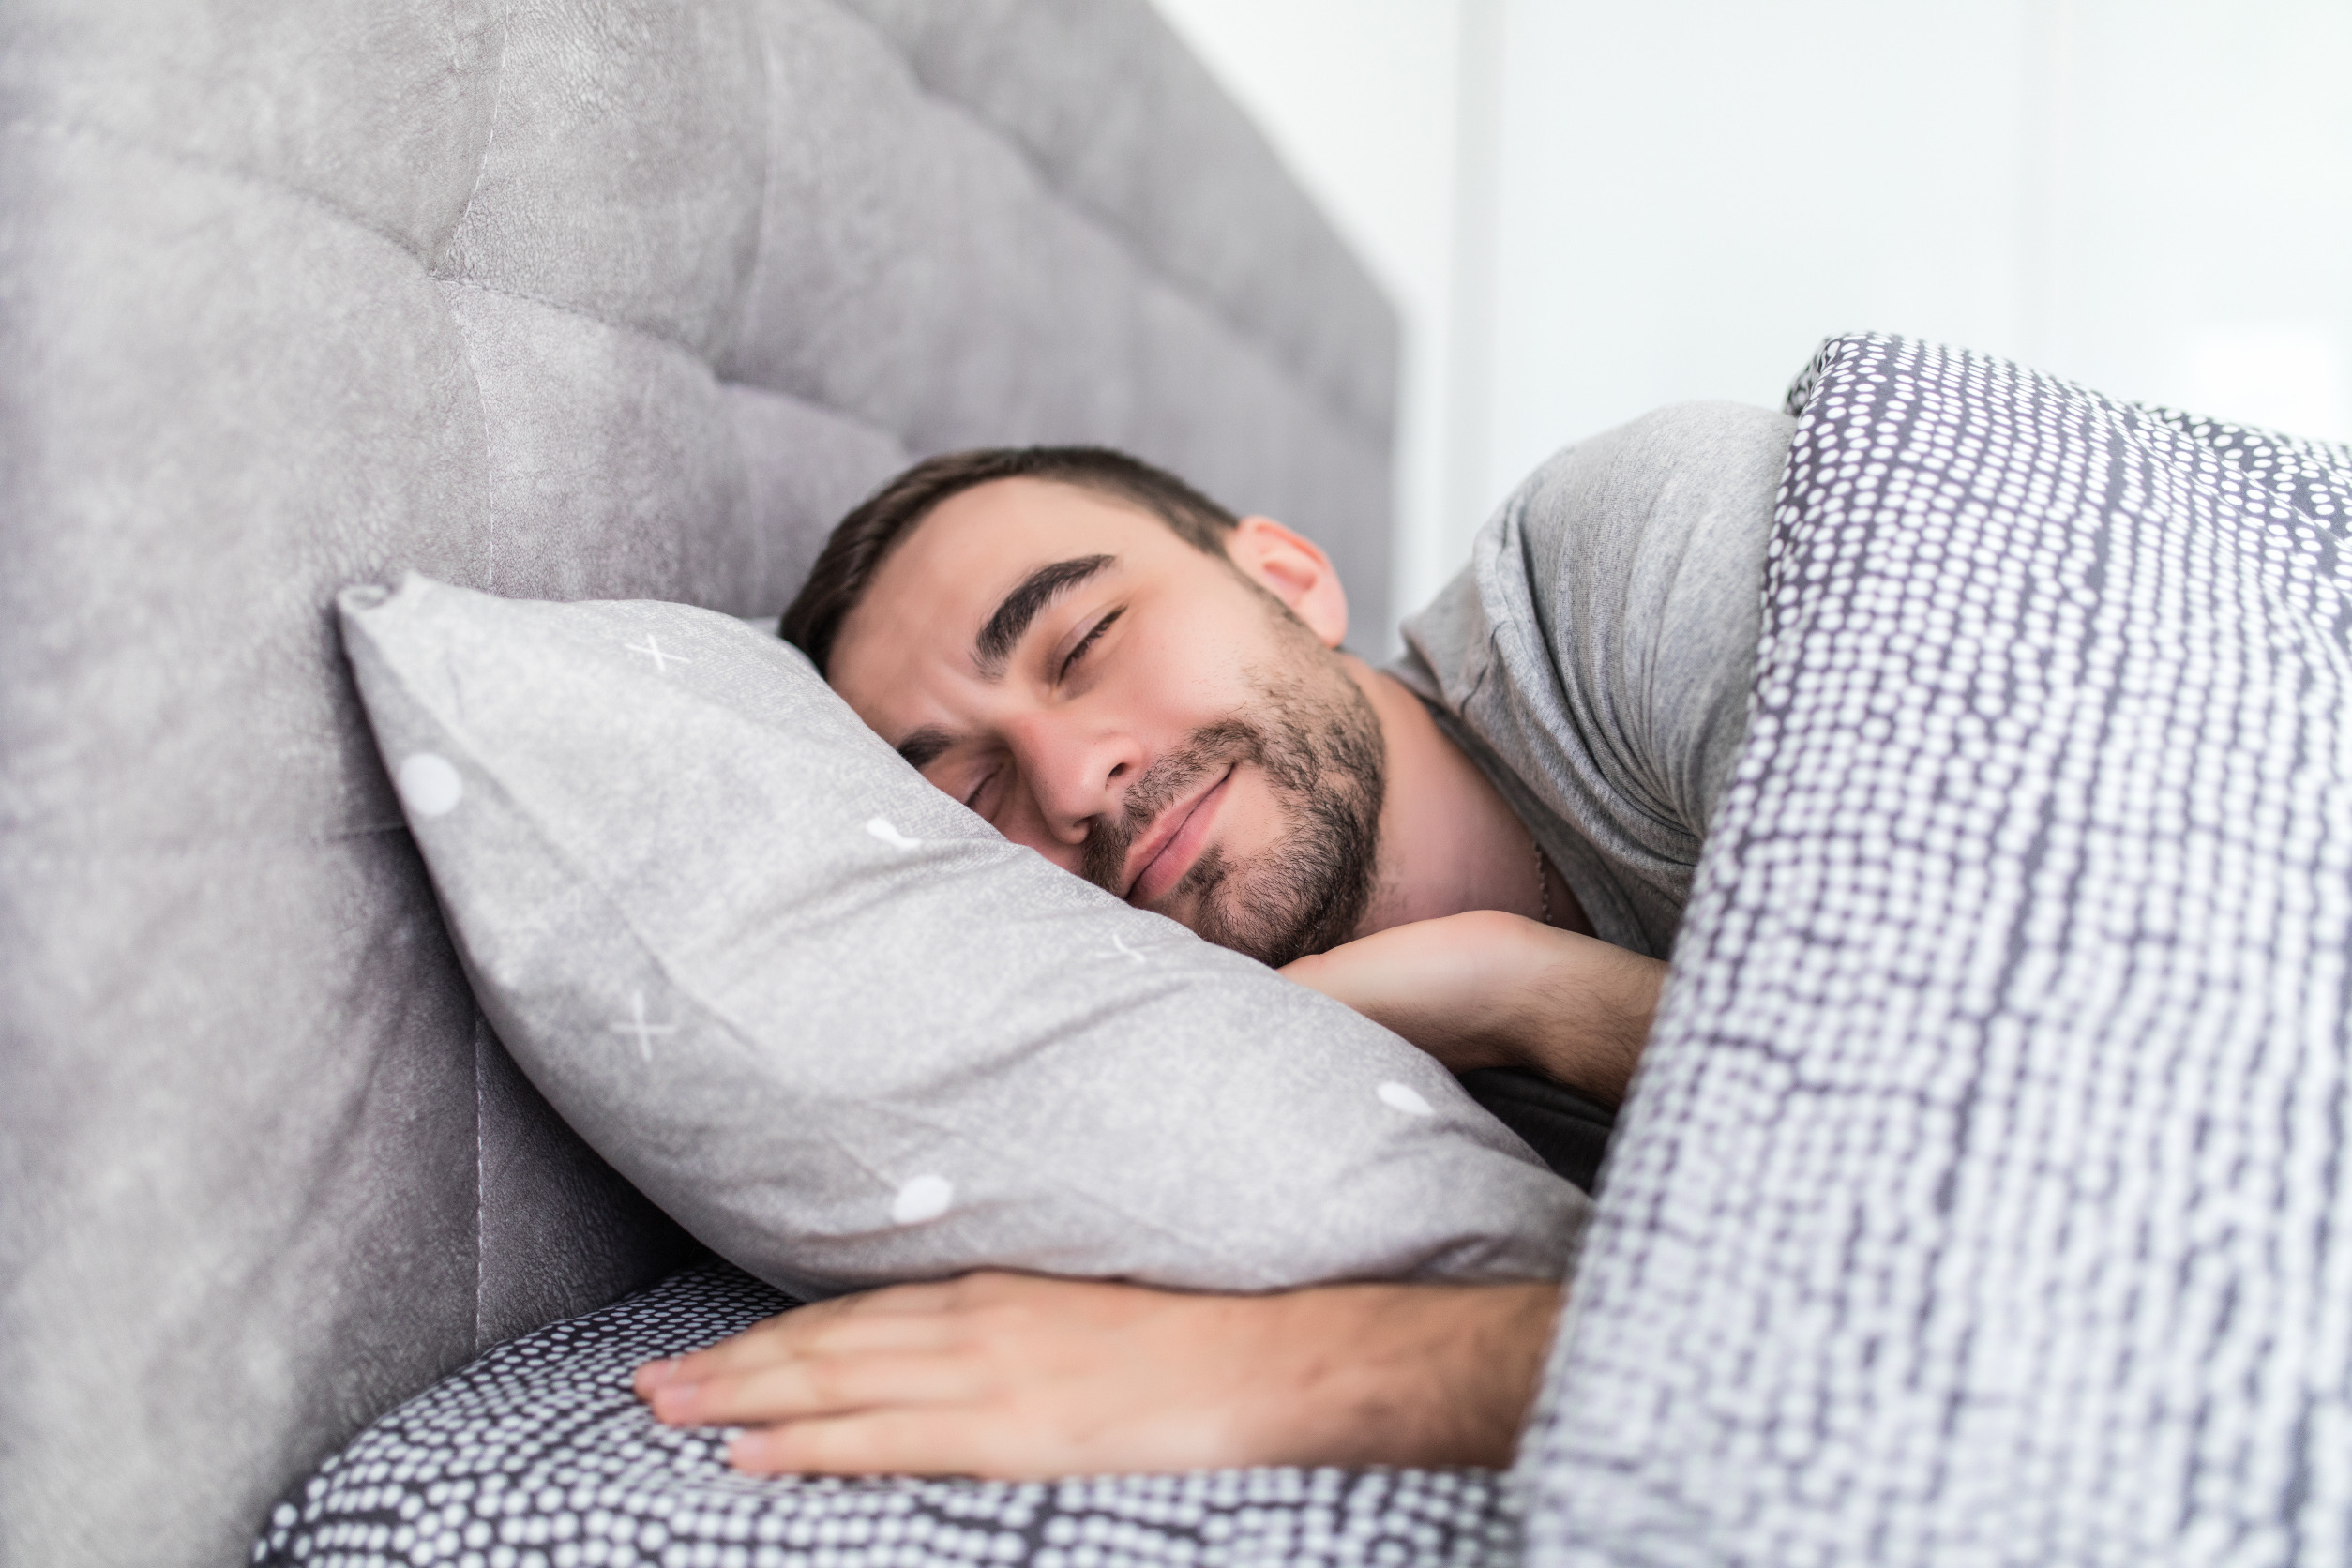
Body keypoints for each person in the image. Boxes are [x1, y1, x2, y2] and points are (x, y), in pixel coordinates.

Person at [633, 401, 1796, 1478]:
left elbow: (1965, 1146)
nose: (1075, 778)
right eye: (976, 802)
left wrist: (1532, 999)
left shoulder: (1623, 563)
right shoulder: (1249, 1109)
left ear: (1289, 579)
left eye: (1084, 641)